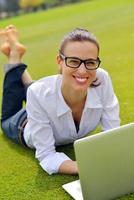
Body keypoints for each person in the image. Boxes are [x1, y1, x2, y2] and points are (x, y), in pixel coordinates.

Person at [0, 25, 120, 175]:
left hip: (43, 98)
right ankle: (14, 58)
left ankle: (17, 59)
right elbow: (46, 155)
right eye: (74, 61)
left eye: (90, 62)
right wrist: (83, 167)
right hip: (23, 123)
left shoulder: (101, 78)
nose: (83, 70)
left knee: (39, 90)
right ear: (59, 61)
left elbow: (112, 134)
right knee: (7, 118)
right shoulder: (38, 93)